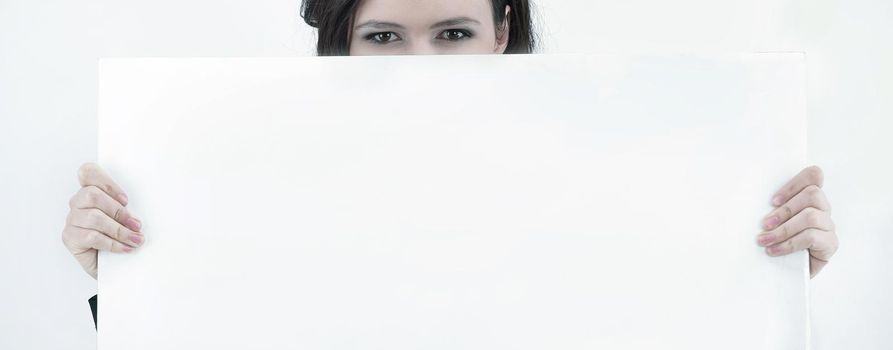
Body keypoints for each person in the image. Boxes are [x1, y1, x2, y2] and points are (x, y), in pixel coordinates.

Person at [61, 0, 839, 330]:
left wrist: (769, 286)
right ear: (342, 38)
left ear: (502, 28)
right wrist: (125, 280)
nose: (422, 62)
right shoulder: (239, 177)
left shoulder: (623, 169)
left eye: (454, 33)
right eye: (385, 36)